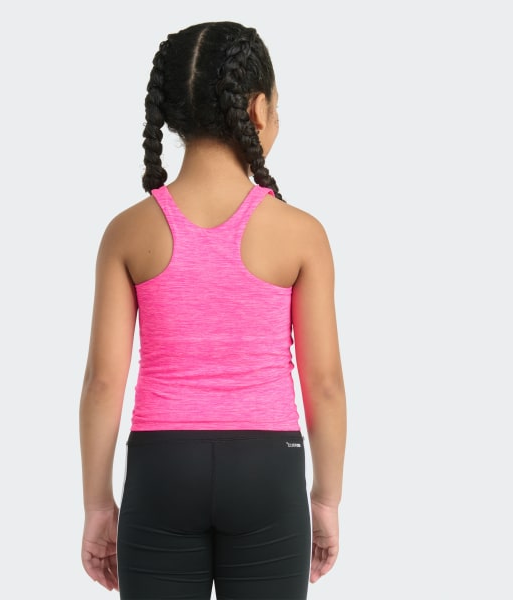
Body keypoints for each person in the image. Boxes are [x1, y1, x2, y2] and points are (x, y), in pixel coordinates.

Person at [79, 21, 347, 599]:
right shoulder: (301, 234)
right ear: (257, 109)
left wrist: (98, 504)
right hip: (268, 470)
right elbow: (324, 385)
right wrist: (325, 500)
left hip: (162, 469)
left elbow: (103, 382)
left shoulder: (127, 232)